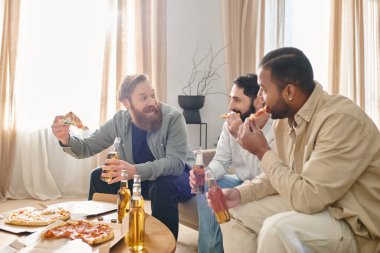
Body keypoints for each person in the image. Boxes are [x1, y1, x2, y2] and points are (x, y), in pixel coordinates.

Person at [213, 47, 380, 253]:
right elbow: (281, 175)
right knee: (232, 214)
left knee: (277, 230)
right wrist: (240, 193)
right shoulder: (284, 121)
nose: (260, 99)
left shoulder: (341, 120)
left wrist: (262, 151)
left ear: (289, 91)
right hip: (316, 204)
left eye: (264, 90)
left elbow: (307, 198)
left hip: (351, 220)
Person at [51, 74, 193, 239]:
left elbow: (175, 164)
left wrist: (135, 170)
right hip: (141, 179)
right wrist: (65, 139)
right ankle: (100, 234)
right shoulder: (119, 121)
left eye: (152, 95)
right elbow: (87, 147)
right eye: (143, 97)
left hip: (180, 178)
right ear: (126, 102)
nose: (151, 102)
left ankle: (164, 244)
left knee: (163, 183)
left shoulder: (173, 118)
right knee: (99, 176)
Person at [189, 74, 274, 253]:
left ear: (257, 101)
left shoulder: (275, 126)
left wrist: (239, 135)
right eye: (230, 99)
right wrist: (207, 174)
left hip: (267, 187)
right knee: (208, 185)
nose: (230, 106)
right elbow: (221, 160)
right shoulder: (230, 124)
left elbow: (264, 174)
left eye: (237, 100)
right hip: (241, 180)